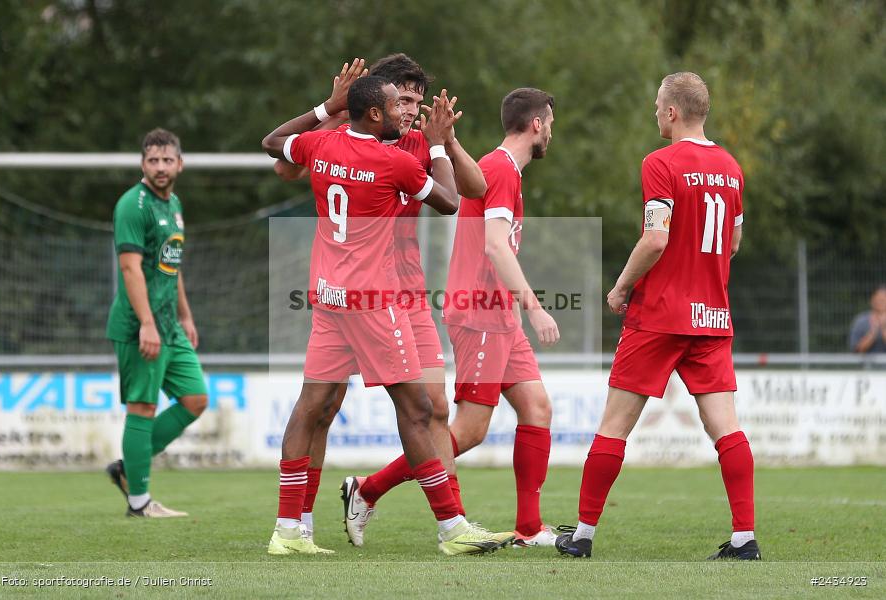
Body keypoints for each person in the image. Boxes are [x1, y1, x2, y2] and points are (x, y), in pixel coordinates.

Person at [261, 75, 513, 555]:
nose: (407, 111)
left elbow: (272, 143)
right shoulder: (391, 160)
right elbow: (449, 202)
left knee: (310, 407)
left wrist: (324, 107)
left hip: (329, 296)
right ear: (375, 113)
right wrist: (438, 147)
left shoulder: (322, 143)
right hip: (373, 302)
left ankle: (288, 530)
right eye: (398, 103)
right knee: (418, 411)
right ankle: (451, 529)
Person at [555, 72, 759, 560]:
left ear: (671, 112)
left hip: (660, 315)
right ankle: (744, 539)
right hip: (710, 317)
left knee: (614, 426)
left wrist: (622, 286)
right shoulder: (731, 168)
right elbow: (732, 242)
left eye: (656, 107)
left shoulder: (661, 162)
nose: (654, 114)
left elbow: (656, 237)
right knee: (726, 429)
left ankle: (581, 536)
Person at [346, 87, 561, 548]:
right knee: (467, 432)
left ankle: (528, 528)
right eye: (551, 125)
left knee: (537, 407)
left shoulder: (499, 169)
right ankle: (368, 489)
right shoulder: (500, 170)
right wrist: (536, 306)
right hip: (481, 313)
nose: (551, 135)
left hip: (499, 313)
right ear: (537, 125)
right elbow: (494, 245)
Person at [104, 129, 209, 518]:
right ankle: (140, 503)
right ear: (143, 164)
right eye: (153, 160)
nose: (160, 167)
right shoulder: (133, 205)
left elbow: (171, 262)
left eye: (167, 160)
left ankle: (129, 466)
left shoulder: (175, 204)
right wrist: (146, 323)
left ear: (179, 164)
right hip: (139, 325)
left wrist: (185, 314)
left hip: (169, 323)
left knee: (196, 399)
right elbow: (130, 268)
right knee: (143, 407)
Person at [849, 285, 886, 353]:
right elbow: (857, 350)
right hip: (867, 363)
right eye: (878, 299)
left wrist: (883, 328)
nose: (880, 303)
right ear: (872, 300)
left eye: (883, 300)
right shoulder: (861, 321)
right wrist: (873, 332)